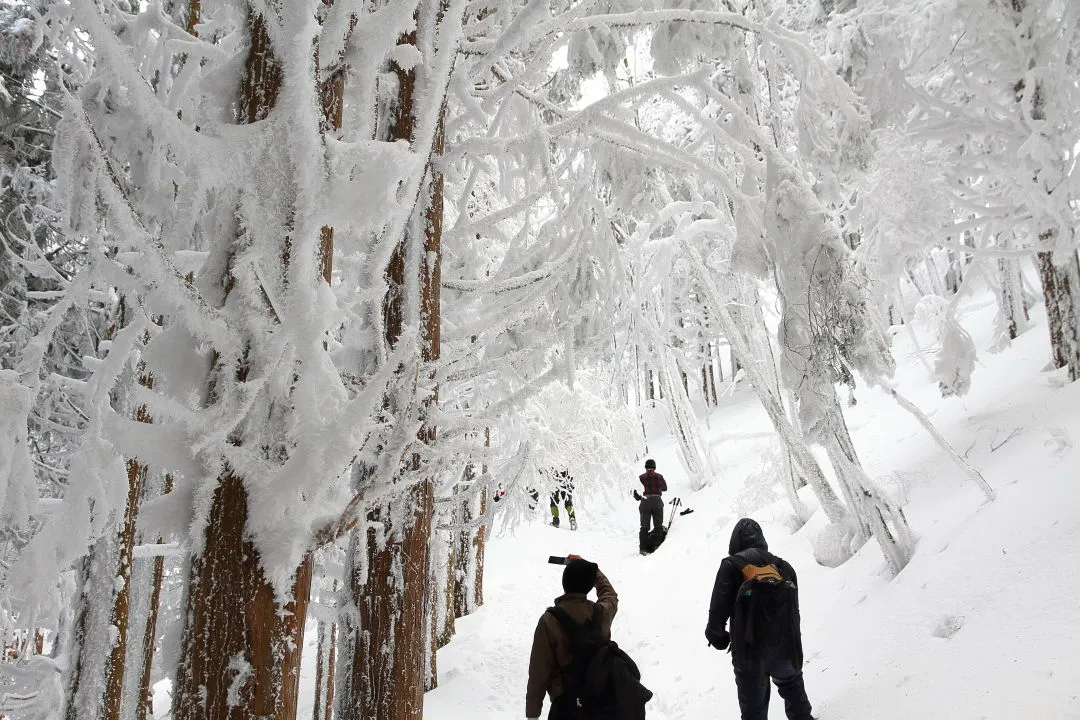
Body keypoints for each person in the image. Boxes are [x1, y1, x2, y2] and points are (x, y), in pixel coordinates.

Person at [704, 518, 815, 720]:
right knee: (793, 690)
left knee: (754, 709)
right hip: (786, 649)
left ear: (735, 542)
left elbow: (718, 610)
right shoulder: (783, 567)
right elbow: (794, 612)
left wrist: (718, 638)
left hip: (751, 653)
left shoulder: (731, 565)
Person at [526, 555, 619, 719]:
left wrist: (532, 714)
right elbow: (609, 594)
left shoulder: (549, 620)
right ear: (589, 586)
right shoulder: (601, 613)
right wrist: (592, 569)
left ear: (564, 583)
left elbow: (539, 671)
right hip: (601, 703)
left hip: (566, 706)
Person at [633, 459, 667, 555]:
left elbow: (636, 495)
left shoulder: (640, 478)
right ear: (654, 467)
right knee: (658, 526)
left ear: (645, 467)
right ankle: (657, 547)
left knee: (644, 527)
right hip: (657, 501)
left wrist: (641, 497)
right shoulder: (659, 476)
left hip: (645, 502)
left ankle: (643, 549)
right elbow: (665, 488)